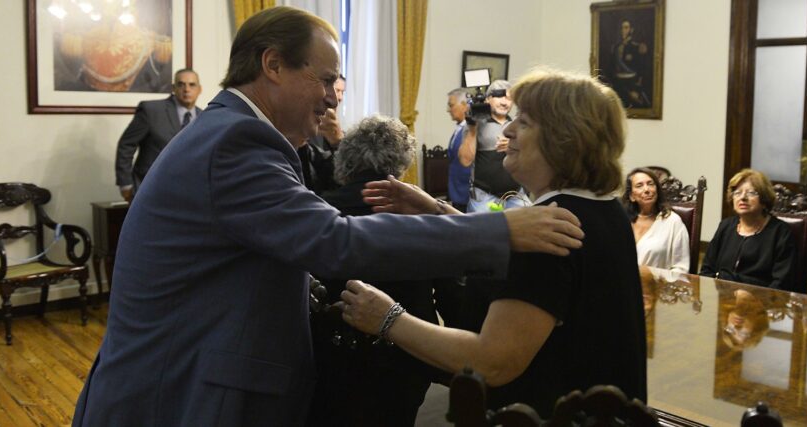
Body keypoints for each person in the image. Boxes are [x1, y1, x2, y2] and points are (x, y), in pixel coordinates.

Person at [72, 7, 583, 427]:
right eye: (326, 79)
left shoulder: (229, 132)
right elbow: (334, 240)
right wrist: (498, 229)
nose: (333, 96)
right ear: (273, 64)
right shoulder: (237, 142)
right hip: (182, 394)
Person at [339, 68, 647, 416]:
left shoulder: (544, 233)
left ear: (564, 139)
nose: (508, 129)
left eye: (525, 122)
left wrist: (388, 318)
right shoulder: (601, 208)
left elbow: (493, 361)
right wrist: (437, 209)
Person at [308, 115, 437, 426]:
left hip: (329, 358)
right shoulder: (421, 217)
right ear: (402, 164)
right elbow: (448, 294)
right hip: (404, 356)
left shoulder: (315, 211)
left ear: (345, 161)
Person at [700, 169, 796, 291]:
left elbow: (781, 283)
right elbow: (706, 270)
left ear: (764, 199)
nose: (743, 198)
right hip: (721, 299)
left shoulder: (780, 233)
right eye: (737, 193)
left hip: (761, 304)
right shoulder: (726, 226)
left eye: (751, 193)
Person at [114, 68, 202, 202]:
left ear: (199, 89)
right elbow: (126, 144)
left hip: (190, 193)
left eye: (192, 85)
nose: (186, 89)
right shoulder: (151, 111)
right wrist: (125, 184)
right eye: (181, 84)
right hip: (151, 191)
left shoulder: (205, 117)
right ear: (173, 88)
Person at [622, 167, 690, 311]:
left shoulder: (672, 222)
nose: (647, 189)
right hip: (623, 291)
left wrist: (655, 278)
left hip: (658, 294)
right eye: (639, 186)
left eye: (651, 184)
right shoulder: (621, 221)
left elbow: (681, 268)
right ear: (631, 196)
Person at [459, 80, 529, 212]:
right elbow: (465, 161)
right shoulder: (475, 123)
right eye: (499, 96)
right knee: (483, 232)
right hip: (485, 196)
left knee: (531, 228)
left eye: (509, 98)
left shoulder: (518, 124)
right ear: (487, 99)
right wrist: (473, 130)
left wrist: (513, 146)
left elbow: (532, 157)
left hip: (516, 195)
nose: (504, 102)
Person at [298, 74, 346, 196]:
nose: (339, 98)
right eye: (337, 90)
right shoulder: (299, 129)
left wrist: (338, 141)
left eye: (342, 92)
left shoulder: (342, 136)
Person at [609, 19, 650, 109]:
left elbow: (642, 68)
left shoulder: (636, 47)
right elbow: (612, 67)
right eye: (622, 28)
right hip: (618, 83)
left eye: (626, 27)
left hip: (631, 83)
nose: (623, 30)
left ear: (631, 30)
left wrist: (637, 86)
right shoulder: (615, 47)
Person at [446, 88, 473, 212]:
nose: (448, 110)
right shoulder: (459, 128)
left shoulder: (472, 130)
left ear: (464, 105)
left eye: (451, 105)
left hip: (468, 194)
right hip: (456, 192)